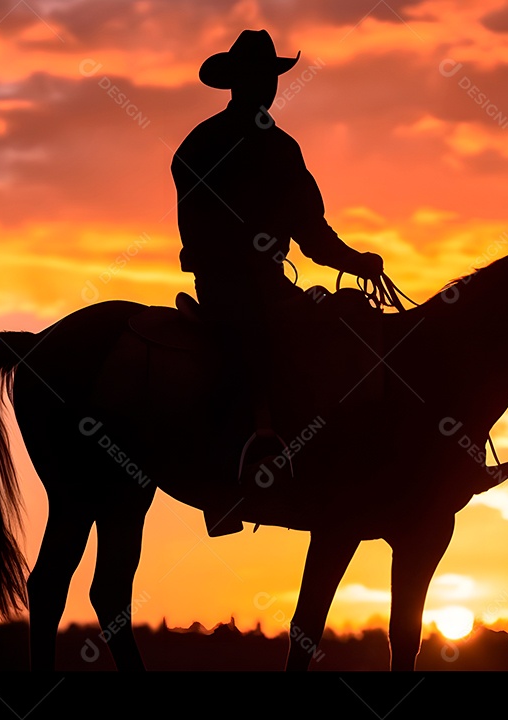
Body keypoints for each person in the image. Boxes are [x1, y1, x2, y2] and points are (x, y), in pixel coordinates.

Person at [171, 29, 383, 535]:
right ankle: (251, 460)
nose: (267, 87)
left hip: (243, 279)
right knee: (280, 341)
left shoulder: (223, 144)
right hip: (235, 283)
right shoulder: (240, 146)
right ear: (238, 82)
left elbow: (312, 234)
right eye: (259, 77)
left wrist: (357, 263)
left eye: (271, 78)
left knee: (328, 327)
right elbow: (308, 235)